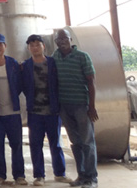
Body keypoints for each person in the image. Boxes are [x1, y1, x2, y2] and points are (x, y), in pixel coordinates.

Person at [22, 34, 72, 186]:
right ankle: (39, 176)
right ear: (29, 48)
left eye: (37, 44)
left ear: (43, 46)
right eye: (31, 45)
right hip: (34, 112)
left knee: (55, 143)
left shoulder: (52, 63)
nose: (35, 47)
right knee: (35, 144)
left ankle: (60, 173)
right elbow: (23, 85)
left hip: (52, 111)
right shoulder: (25, 66)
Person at [52, 29, 98, 188]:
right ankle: (82, 175)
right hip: (64, 107)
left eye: (64, 38)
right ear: (55, 41)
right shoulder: (54, 58)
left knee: (87, 142)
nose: (62, 41)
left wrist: (91, 106)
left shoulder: (82, 57)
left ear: (70, 39)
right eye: (58, 39)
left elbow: (91, 83)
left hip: (81, 106)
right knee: (75, 142)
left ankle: (91, 179)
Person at [0, 33, 27, 186]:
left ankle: (19, 175)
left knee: (16, 144)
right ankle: (0, 175)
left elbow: (20, 84)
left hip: (13, 112)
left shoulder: (13, 63)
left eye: (0, 44)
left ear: (5, 46)